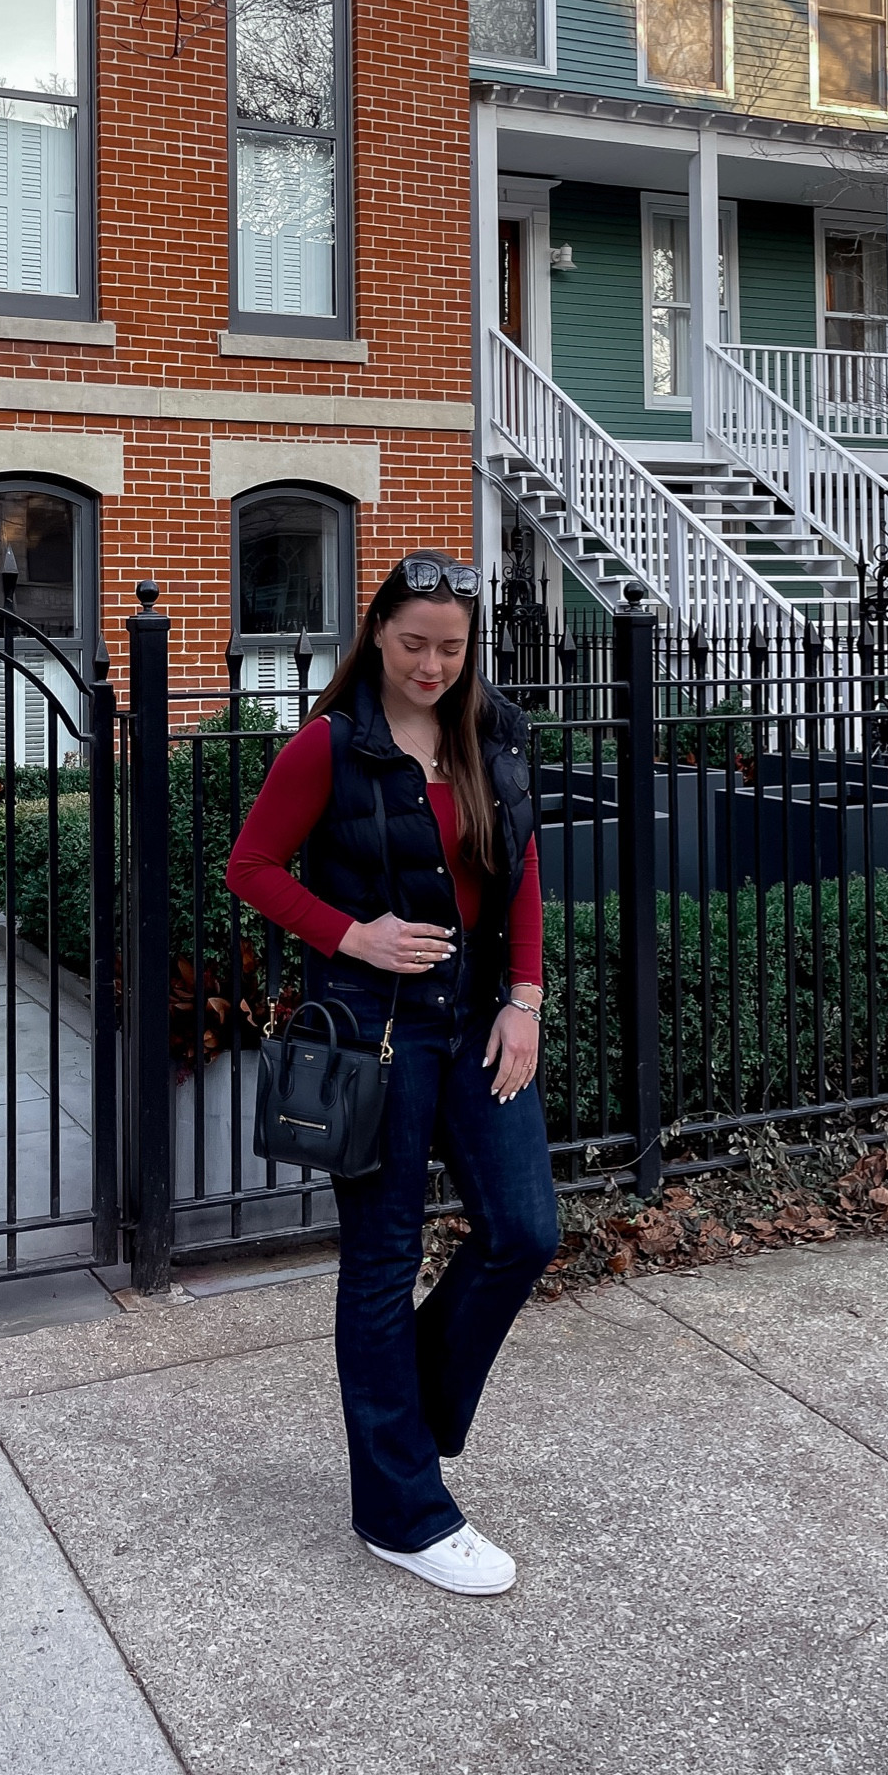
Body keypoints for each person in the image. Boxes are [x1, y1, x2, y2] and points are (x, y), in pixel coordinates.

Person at [226, 550, 557, 1597]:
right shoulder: (329, 746)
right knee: (380, 1259)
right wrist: (351, 936)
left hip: (476, 1025)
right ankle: (401, 1508)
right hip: (374, 1033)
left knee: (523, 1227)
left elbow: (522, 870)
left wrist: (525, 998)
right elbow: (250, 868)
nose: (430, 663)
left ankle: (396, 1422)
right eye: (413, 642)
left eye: (450, 647)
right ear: (375, 633)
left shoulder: (489, 729)